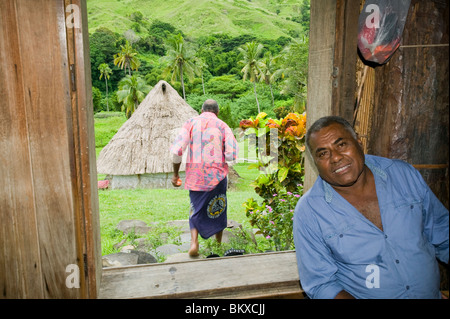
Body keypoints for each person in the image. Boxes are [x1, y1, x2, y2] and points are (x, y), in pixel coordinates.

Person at [293, 116, 449, 299]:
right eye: (323, 154)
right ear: (315, 163)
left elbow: (443, 233)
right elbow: (321, 285)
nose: (335, 158)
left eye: (341, 144)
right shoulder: (309, 212)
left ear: (359, 143)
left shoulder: (403, 175)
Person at [170, 99, 238, 256]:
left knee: (195, 208)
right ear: (217, 112)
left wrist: (175, 175)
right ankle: (218, 244)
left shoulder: (190, 123)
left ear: (201, 110)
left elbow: (177, 150)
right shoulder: (223, 125)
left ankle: (194, 243)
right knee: (219, 208)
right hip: (217, 176)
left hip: (195, 176)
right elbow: (231, 154)